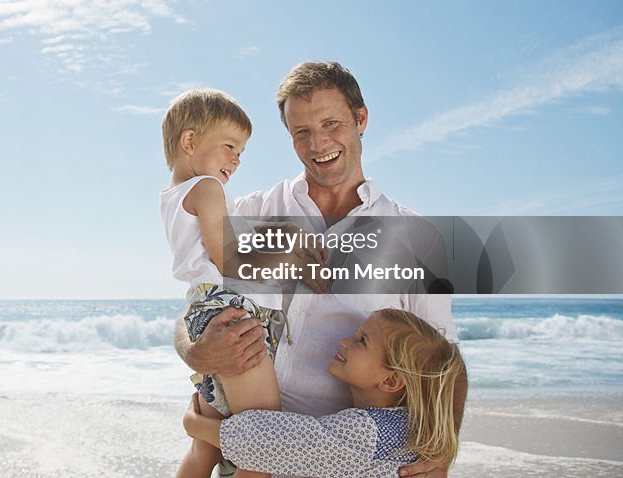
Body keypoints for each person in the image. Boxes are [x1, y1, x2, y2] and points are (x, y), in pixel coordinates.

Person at [174, 61, 467, 478]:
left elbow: (444, 359)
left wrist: (443, 450)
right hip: (240, 450)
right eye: (302, 132)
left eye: (332, 123)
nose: (319, 143)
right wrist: (193, 350)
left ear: (360, 119)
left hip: (335, 461)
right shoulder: (253, 212)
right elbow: (200, 299)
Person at [160, 88, 286, 478]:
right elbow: (228, 258)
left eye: (241, 153)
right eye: (230, 146)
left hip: (207, 311)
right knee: (263, 447)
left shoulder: (173, 196)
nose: (236, 160)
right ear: (190, 141)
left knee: (206, 449)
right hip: (233, 314)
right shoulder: (208, 188)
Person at [182, 308, 465, 477]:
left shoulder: (364, 433)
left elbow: (266, 441)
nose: (344, 340)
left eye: (361, 341)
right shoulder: (408, 430)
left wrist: (196, 425)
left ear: (391, 381)